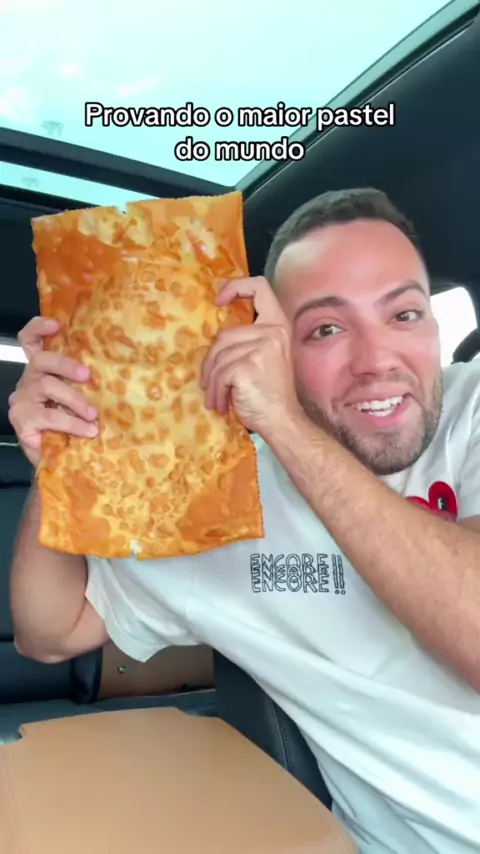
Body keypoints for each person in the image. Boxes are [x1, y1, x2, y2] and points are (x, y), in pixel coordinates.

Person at [8, 187, 480, 854]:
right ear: (263, 342)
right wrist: (60, 460)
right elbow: (48, 633)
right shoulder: (215, 497)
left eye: (405, 313)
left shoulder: (472, 408)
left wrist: (287, 426)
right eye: (325, 329)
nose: (378, 359)